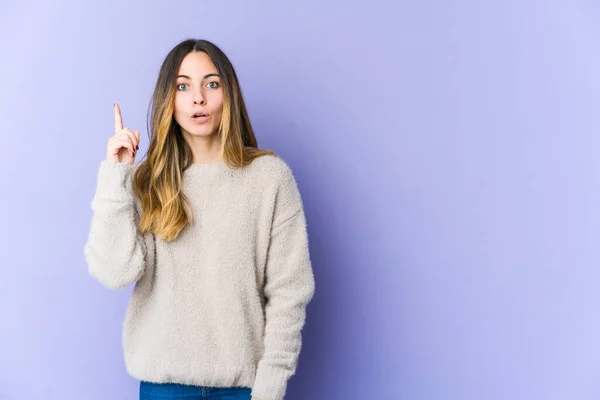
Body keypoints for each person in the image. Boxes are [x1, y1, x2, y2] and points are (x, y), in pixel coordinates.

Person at [83, 38, 316, 400]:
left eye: (211, 83)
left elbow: (289, 293)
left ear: (229, 93)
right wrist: (116, 176)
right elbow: (114, 272)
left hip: (244, 390)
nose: (198, 99)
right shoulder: (148, 181)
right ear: (168, 98)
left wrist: (269, 388)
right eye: (182, 86)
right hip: (164, 388)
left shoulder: (269, 178)